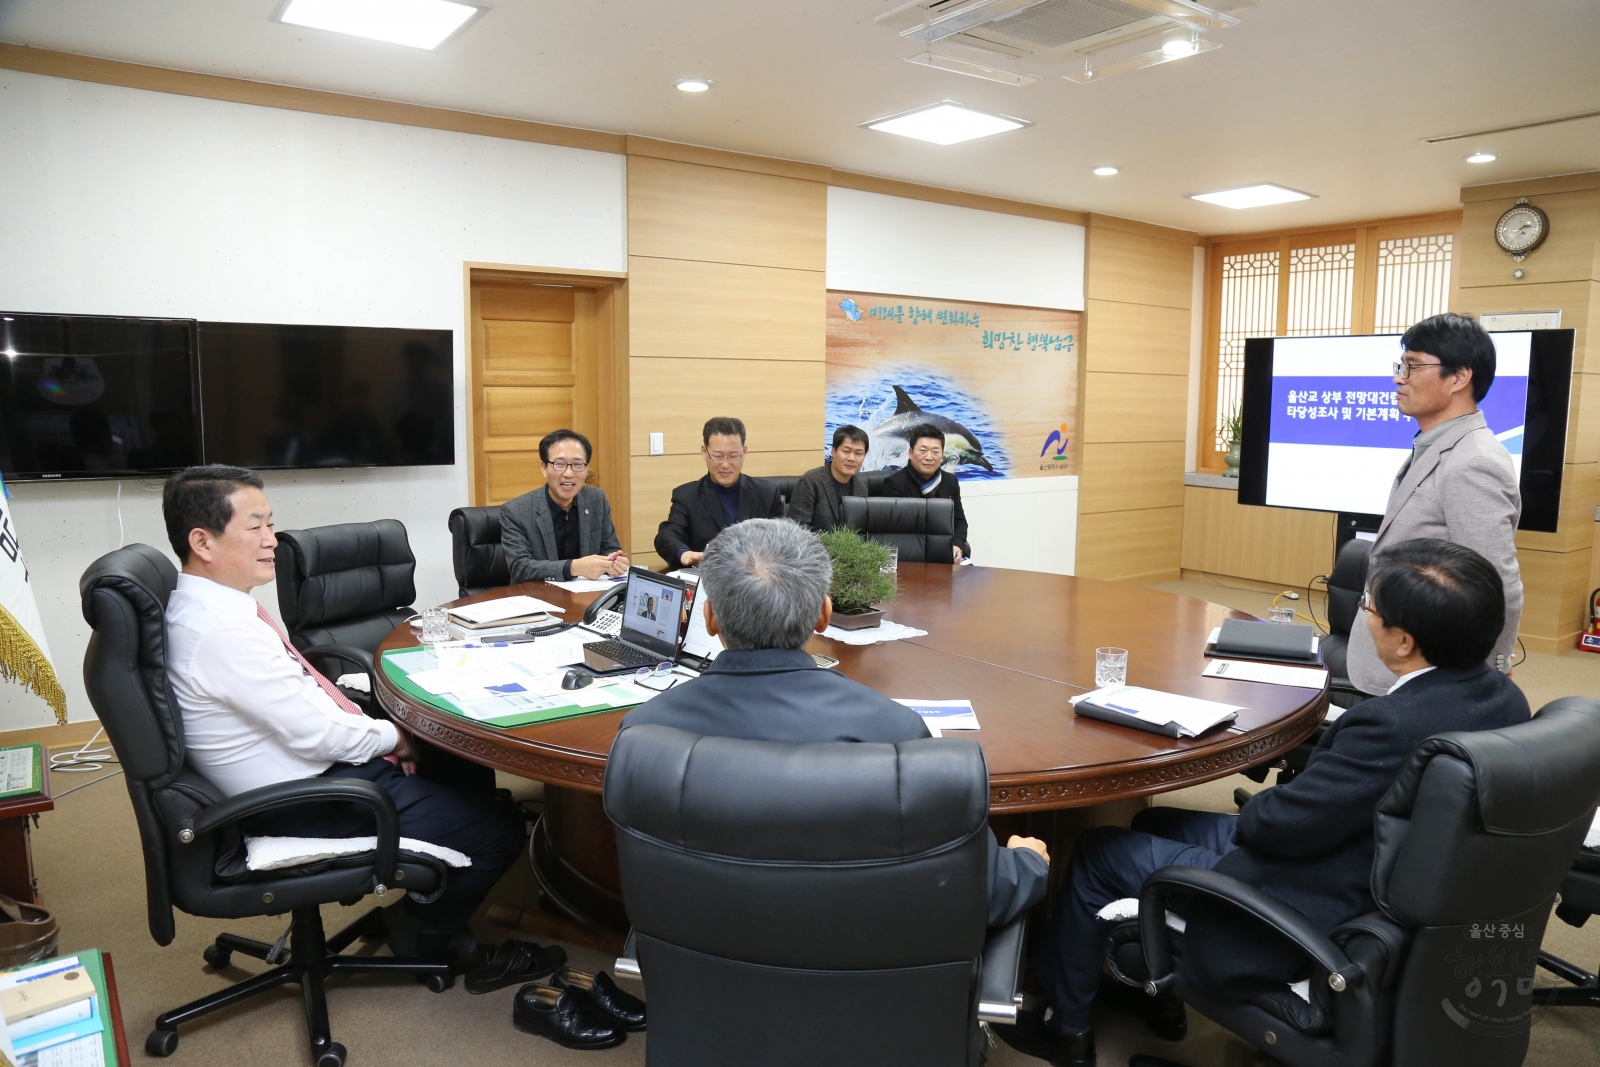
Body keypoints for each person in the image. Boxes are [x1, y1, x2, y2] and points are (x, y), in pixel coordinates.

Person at [1009, 538, 1530, 1067]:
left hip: (1312, 896)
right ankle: (1161, 1004)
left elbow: (1279, 825)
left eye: (1370, 609)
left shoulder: (1390, 726)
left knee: (1100, 851)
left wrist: (1265, 808)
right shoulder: (1502, 697)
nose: (1364, 617)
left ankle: (1064, 1027)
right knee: (1157, 819)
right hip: (1372, 867)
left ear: (1403, 641)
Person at [161, 465, 530, 966]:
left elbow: (302, 707)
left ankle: (428, 877)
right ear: (202, 541)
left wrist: (375, 731)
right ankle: (422, 932)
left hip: (299, 769)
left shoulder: (211, 608)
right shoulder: (220, 631)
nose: (272, 540)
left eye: (271, 524)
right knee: (500, 830)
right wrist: (389, 738)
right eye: (255, 527)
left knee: (458, 767)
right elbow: (316, 734)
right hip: (300, 797)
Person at [622, 518, 1049, 928]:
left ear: (710, 619)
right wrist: (1027, 861)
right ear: (824, 615)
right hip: (866, 978)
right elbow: (972, 893)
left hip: (699, 975)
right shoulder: (895, 734)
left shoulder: (645, 733)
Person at [1346, 312, 1522, 696]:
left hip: (1426, 676)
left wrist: (1491, 670)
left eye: (1412, 367)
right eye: (1400, 366)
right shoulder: (1436, 443)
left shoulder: (1474, 460)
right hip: (1395, 661)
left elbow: (1497, 583)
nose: (1398, 378)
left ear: (1459, 377)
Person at [653, 416, 784, 569]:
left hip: (755, 584)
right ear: (704, 452)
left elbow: (783, 541)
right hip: (707, 582)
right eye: (717, 456)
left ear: (745, 452)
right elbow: (666, 535)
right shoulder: (687, 496)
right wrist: (685, 554)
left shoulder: (767, 493)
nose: (725, 464)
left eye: (733, 456)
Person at [501, 429, 627, 583]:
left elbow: (609, 548)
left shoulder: (596, 500)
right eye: (559, 464)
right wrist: (573, 567)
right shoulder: (516, 511)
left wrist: (614, 562)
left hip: (587, 596)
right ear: (544, 468)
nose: (568, 473)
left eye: (577, 464)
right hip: (538, 597)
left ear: (586, 468)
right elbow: (520, 567)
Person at [877, 422, 970, 562]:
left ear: (942, 454)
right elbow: (890, 532)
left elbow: (960, 521)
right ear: (910, 453)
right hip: (908, 557)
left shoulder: (950, 481)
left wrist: (957, 545)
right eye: (923, 450)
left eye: (935, 452)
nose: (929, 457)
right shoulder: (894, 483)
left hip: (943, 553)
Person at [788, 425, 870, 532]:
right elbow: (797, 532)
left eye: (858, 453)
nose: (851, 458)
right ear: (834, 451)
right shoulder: (810, 482)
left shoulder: (862, 489)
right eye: (846, 451)